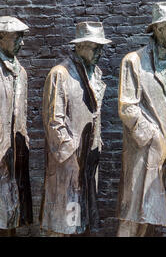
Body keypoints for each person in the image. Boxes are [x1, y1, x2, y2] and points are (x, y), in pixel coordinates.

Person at [117, 2, 166, 237]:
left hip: (159, 155)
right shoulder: (134, 61)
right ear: (159, 29)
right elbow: (127, 108)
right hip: (141, 152)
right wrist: (154, 138)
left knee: (149, 214)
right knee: (132, 215)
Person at [40, 21, 111, 236]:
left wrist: (95, 146)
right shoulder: (60, 74)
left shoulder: (94, 73)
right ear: (79, 46)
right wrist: (70, 152)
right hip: (68, 162)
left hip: (88, 160)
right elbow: (54, 120)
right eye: (94, 46)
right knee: (64, 218)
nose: (99, 51)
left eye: (101, 47)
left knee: (81, 217)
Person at [0, 16, 33, 237]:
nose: (21, 42)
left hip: (16, 151)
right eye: (16, 37)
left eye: (22, 37)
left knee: (13, 210)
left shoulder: (21, 72)